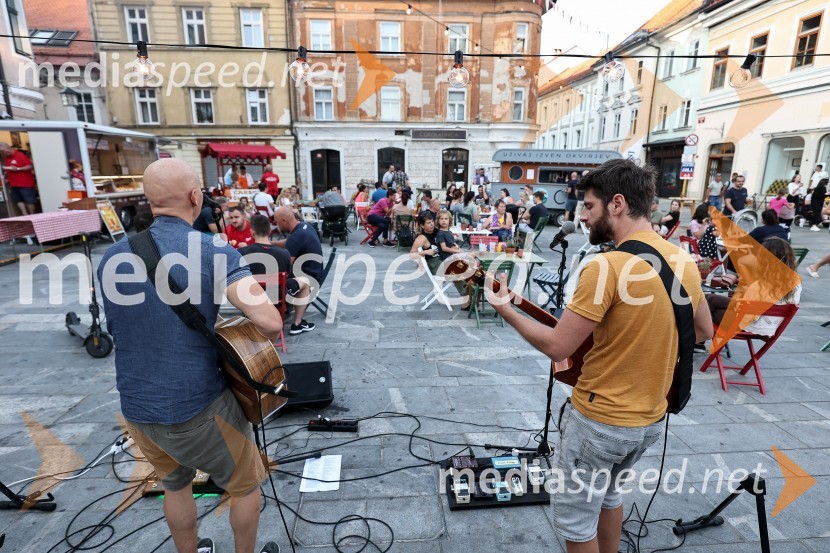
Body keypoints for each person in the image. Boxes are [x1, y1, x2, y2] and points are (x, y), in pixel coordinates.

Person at [490, 158, 712, 553]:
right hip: (648, 421)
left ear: (617, 204)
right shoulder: (683, 261)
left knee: (576, 523)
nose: (584, 217)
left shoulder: (606, 267)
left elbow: (559, 346)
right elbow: (704, 331)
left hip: (599, 421)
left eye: (589, 207)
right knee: (609, 496)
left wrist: (507, 310)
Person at [97, 158, 283, 553]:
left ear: (149, 201)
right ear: (195, 197)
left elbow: (134, 322)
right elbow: (269, 323)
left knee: (176, 485)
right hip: (196, 407)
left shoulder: (111, 256)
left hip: (136, 407)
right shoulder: (214, 248)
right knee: (246, 485)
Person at [705, 237, 800, 337]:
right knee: (710, 299)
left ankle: (699, 340)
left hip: (749, 324)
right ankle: (700, 341)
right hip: (770, 325)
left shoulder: (762, 283)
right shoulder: (795, 281)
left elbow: (746, 313)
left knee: (706, 309)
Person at [239, 215, 315, 335]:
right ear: (269, 231)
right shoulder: (284, 253)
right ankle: (297, 323)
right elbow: (288, 276)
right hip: (277, 298)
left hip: (252, 297)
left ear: (252, 232)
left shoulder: (241, 252)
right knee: (304, 281)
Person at [272, 206, 324, 306]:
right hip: (317, 271)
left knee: (273, 279)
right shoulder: (305, 226)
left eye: (277, 222)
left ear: (284, 221)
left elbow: (287, 266)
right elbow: (288, 242)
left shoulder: (295, 238)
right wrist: (272, 244)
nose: (277, 226)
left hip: (308, 278)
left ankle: (279, 309)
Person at [0, 142, 37, 215]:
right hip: (13, 184)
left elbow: (30, 166)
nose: (3, 154)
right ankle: (25, 214)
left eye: (3, 152)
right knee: (18, 200)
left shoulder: (20, 155)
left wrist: (18, 169)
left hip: (25, 183)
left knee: (29, 200)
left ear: (8, 148)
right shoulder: (7, 158)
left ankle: (32, 215)